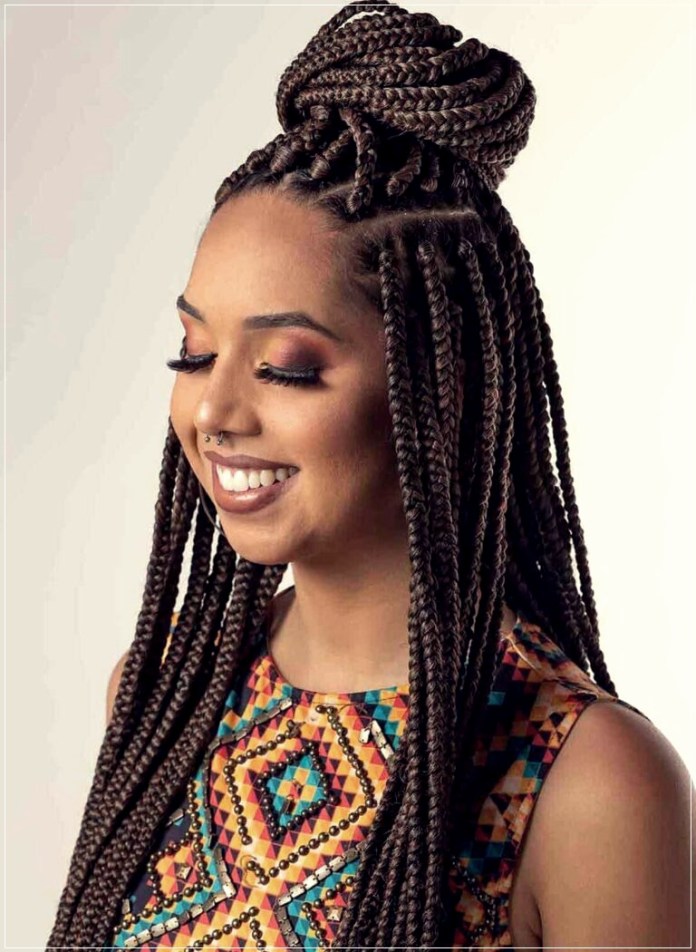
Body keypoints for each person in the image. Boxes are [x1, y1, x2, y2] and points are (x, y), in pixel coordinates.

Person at [47, 1, 694, 948]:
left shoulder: (587, 784)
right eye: (194, 353)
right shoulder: (162, 699)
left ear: (440, 386)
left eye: (285, 367)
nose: (214, 411)